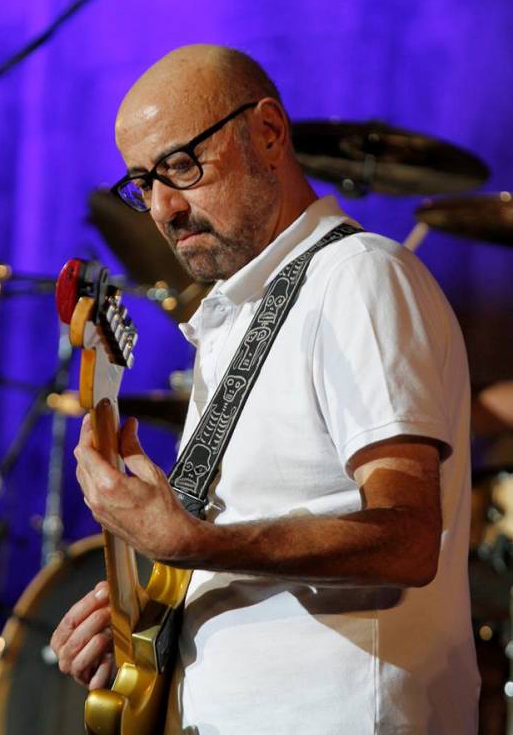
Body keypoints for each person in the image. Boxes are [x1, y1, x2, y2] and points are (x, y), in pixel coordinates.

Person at [50, 44, 480, 733]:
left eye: (180, 166)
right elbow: (238, 541)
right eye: (142, 183)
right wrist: (141, 621)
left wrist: (192, 544)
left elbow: (406, 538)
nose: (163, 207)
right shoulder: (240, 316)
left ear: (269, 132)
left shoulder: (358, 277)